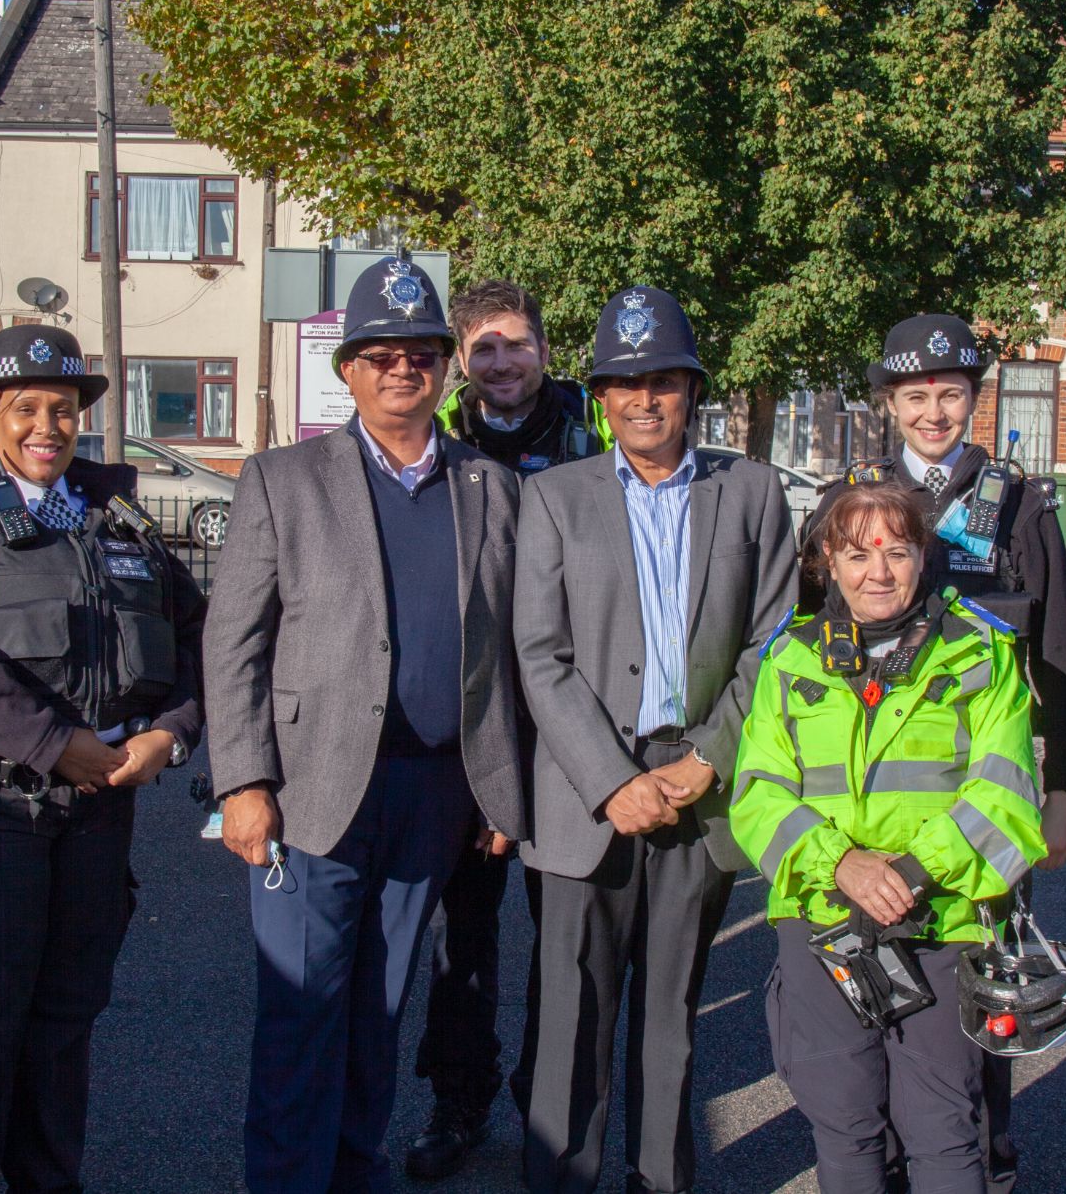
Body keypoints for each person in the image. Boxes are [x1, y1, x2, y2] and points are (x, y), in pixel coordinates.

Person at [204, 258, 527, 1193]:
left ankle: (355, 1173)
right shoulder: (282, 479)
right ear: (347, 369)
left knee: (380, 1011)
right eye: (380, 354)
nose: (401, 370)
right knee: (303, 1012)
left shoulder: (490, 488)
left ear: (444, 369)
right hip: (309, 792)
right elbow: (234, 643)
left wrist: (498, 783)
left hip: (432, 794)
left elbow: (507, 647)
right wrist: (243, 782)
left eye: (421, 353)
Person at [0, 324, 205, 1193]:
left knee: (64, 1025)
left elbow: (198, 635)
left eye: (63, 409)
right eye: (26, 408)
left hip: (94, 816)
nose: (47, 427)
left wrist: (171, 729)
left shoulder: (117, 521)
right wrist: (60, 746)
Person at [514, 285, 797, 1194]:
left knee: (671, 1017)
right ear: (600, 396)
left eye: (664, 380)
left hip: (700, 780)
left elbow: (774, 642)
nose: (646, 398)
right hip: (586, 789)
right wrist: (609, 780)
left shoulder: (752, 492)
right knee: (573, 1016)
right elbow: (539, 654)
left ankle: (660, 1182)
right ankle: (561, 1179)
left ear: (692, 389)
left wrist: (710, 756)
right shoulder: (553, 498)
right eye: (626, 382)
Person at [801, 311, 1066, 1192]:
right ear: (890, 402)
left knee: (981, 1005)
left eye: (952, 394)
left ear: (974, 397)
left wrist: (1065, 790)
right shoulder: (848, 499)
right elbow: (805, 644)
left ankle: (984, 1165)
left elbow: (1059, 657)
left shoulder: (1017, 504)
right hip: (866, 806)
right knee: (865, 1004)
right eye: (918, 395)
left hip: (977, 807)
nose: (935, 412)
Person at [733, 480, 1045, 1194]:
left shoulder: (979, 652)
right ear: (827, 564)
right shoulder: (792, 658)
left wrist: (908, 871)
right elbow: (756, 795)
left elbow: (1008, 797)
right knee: (845, 1128)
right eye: (856, 554)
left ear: (921, 556)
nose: (878, 572)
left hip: (940, 922)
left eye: (896, 552)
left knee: (943, 1128)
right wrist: (841, 864)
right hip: (822, 924)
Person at [406, 279, 608, 1181]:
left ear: (545, 353)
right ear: (463, 361)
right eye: (482, 347)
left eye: (515, 344)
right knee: (466, 930)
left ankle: (550, 1101)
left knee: (566, 931)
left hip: (572, 721)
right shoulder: (439, 451)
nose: (500, 362)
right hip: (474, 726)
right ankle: (459, 1097)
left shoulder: (596, 444)